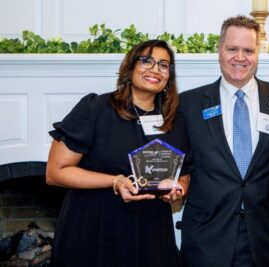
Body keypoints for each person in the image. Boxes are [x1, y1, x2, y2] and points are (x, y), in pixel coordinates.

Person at [45, 39, 190, 267]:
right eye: (147, 61)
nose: (155, 69)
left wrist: (178, 190)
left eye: (164, 65)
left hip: (151, 232)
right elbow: (55, 172)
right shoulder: (96, 108)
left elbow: (184, 173)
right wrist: (115, 181)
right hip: (96, 228)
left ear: (169, 76)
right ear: (130, 67)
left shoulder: (175, 121)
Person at [178, 15, 269, 267]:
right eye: (232, 49)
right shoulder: (188, 104)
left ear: (258, 54)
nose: (240, 57)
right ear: (219, 51)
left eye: (248, 50)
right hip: (206, 241)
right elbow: (180, 165)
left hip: (265, 241)